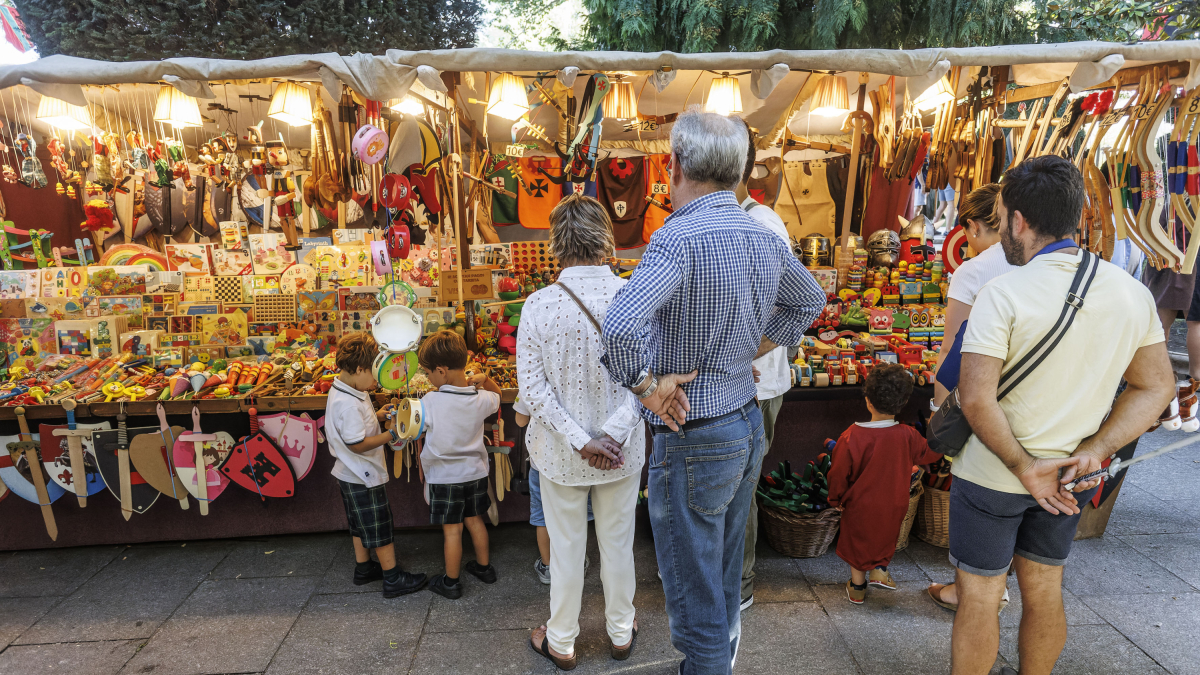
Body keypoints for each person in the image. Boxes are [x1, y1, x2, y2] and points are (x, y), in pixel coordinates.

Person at [601, 110, 826, 675]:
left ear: (673, 167)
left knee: (696, 596)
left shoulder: (676, 237)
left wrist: (648, 387)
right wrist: (743, 352)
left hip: (695, 433)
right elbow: (807, 302)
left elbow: (620, 328)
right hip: (744, 422)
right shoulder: (761, 231)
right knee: (722, 583)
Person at [951, 155, 1174, 675]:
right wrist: (1097, 450)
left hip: (994, 474)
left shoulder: (1002, 292)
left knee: (980, 597)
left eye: (1003, 214)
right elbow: (1157, 385)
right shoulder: (1130, 292)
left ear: (1019, 221)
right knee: (1045, 589)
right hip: (1071, 477)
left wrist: (1022, 464)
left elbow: (977, 397)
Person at [518, 194, 646, 671]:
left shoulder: (538, 304)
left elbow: (532, 389)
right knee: (618, 543)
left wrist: (581, 440)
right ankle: (619, 631)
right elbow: (649, 377)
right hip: (622, 451)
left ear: (556, 243)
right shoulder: (632, 297)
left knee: (566, 549)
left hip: (560, 455)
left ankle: (562, 641)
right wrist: (610, 434)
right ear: (605, 238)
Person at [927, 183, 1016, 612]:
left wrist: (938, 407)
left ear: (973, 227)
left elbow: (950, 349)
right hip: (1023, 394)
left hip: (979, 393)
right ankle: (997, 584)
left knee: (975, 493)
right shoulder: (1038, 263)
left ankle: (974, 591)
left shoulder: (974, 270)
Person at [734, 122, 793, 612]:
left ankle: (741, 584)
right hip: (740, 379)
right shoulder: (730, 218)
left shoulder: (762, 223)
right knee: (732, 482)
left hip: (757, 382)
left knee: (741, 485)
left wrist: (741, 354)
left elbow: (795, 302)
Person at [827, 363, 942, 604]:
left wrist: (835, 498)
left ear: (868, 400)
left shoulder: (851, 436)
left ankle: (857, 588)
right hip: (895, 503)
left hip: (859, 504)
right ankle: (879, 568)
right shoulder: (908, 435)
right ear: (903, 403)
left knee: (856, 541)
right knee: (885, 535)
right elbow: (930, 454)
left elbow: (837, 473)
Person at [325, 332, 427, 598]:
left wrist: (379, 414)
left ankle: (364, 568)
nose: (376, 381)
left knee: (360, 524)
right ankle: (392, 578)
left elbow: (358, 423)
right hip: (363, 474)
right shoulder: (348, 403)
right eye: (374, 374)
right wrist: (391, 434)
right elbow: (357, 443)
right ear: (359, 369)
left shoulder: (347, 389)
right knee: (379, 525)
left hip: (350, 473)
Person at [417, 330, 503, 600]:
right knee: (476, 521)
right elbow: (498, 396)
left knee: (452, 530)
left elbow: (414, 429)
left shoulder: (429, 401)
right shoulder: (479, 398)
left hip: (444, 478)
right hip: (475, 474)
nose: (428, 378)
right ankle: (484, 568)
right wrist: (485, 379)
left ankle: (451, 582)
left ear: (441, 371)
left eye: (429, 373)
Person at [513, 396, 593, 586]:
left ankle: (548, 566)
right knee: (576, 513)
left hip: (542, 463)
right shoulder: (576, 374)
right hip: (576, 461)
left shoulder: (533, 381)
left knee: (543, 517)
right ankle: (577, 563)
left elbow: (520, 420)